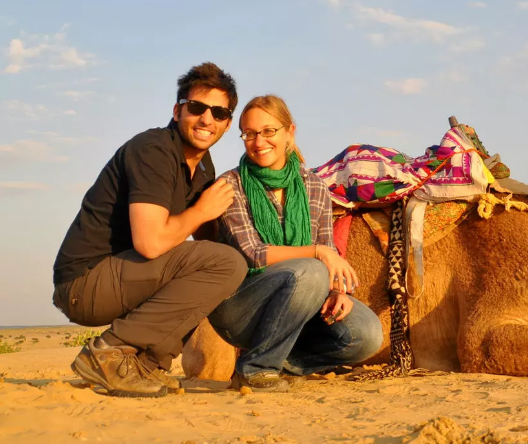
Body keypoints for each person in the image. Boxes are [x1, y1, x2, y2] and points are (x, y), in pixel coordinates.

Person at [52, 63, 248, 398]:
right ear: (177, 110)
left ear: (227, 124)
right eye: (197, 108)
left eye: (218, 113)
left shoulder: (203, 166)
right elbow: (151, 242)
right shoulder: (153, 150)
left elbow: (202, 242)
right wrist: (202, 210)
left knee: (223, 268)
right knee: (226, 264)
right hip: (85, 282)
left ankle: (143, 364)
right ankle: (109, 352)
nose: (206, 120)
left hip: (122, 276)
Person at [209, 94, 383, 392]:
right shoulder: (231, 186)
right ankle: (256, 370)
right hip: (240, 305)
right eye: (249, 134)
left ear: (290, 132)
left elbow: (326, 243)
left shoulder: (313, 186)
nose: (258, 141)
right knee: (311, 269)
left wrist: (336, 290)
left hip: (300, 303)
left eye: (268, 131)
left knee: (367, 334)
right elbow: (254, 254)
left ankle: (275, 361)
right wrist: (318, 254)